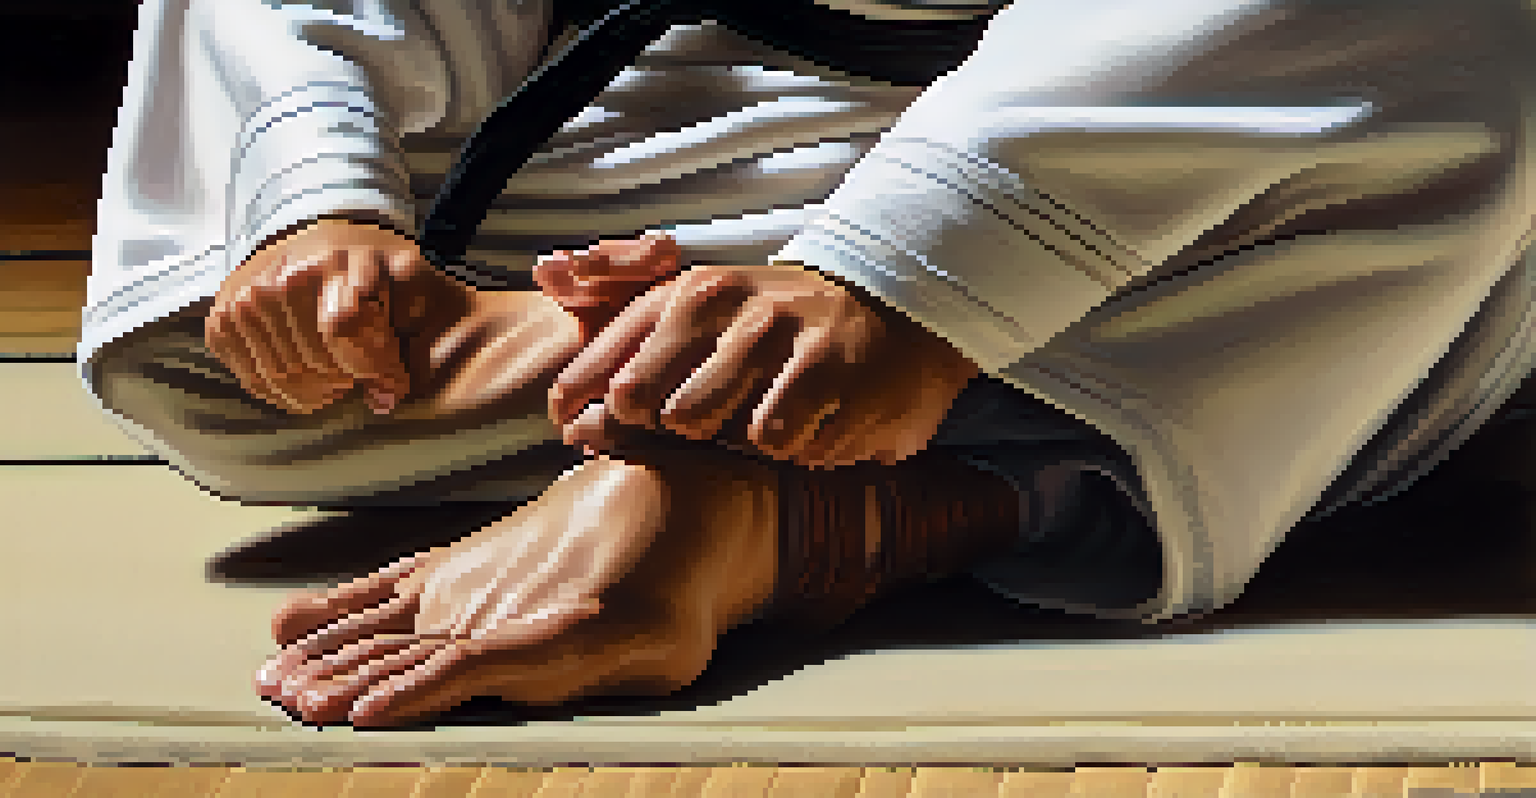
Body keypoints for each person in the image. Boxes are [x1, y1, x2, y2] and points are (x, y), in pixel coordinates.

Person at [83, 0, 1536, 727]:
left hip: (1201, 116)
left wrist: (896, 273)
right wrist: (323, 193)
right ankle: (661, 346)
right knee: (257, 345)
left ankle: (805, 499)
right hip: (692, 142)